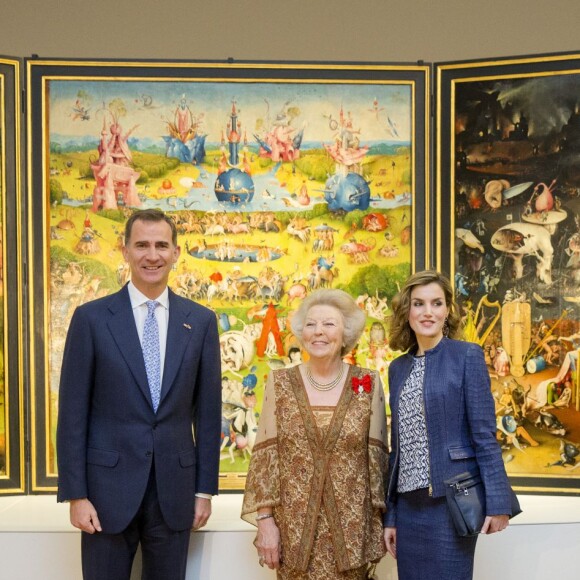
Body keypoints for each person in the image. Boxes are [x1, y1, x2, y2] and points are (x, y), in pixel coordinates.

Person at [56, 208, 222, 580]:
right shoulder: (92, 319)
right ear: (125, 250)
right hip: (103, 495)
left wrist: (204, 491)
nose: (152, 255)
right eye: (142, 245)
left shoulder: (201, 321)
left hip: (175, 495)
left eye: (161, 245)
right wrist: (76, 494)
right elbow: (72, 414)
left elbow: (209, 414)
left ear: (176, 252)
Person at [241, 289, 389, 579]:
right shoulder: (280, 382)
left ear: (346, 333)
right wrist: (265, 520)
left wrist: (382, 524)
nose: (318, 332)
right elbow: (266, 457)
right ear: (301, 333)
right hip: (294, 531)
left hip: (352, 532)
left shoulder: (367, 383)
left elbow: (378, 461)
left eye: (329, 324)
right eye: (310, 324)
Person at [383, 270, 514, 580]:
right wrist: (391, 516)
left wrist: (498, 503)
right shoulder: (397, 368)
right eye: (419, 304)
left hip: (451, 504)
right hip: (408, 508)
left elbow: (484, 435)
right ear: (407, 311)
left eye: (436, 303)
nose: (428, 312)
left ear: (447, 310)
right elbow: (396, 450)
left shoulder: (466, 355)